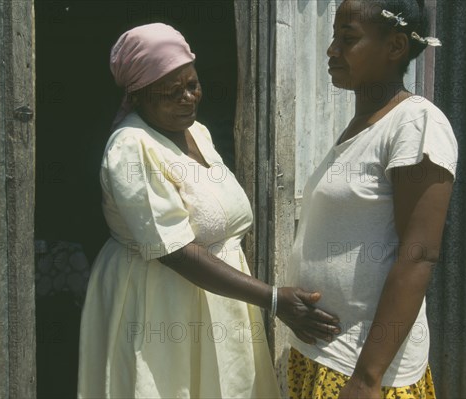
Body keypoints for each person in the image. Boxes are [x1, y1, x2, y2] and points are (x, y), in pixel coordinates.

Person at [78, 23, 339, 398]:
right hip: (159, 303)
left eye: (192, 84)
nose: (189, 98)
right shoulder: (132, 147)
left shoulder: (196, 132)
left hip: (218, 300)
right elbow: (175, 251)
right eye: (172, 92)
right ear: (137, 97)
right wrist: (274, 298)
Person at [285, 1, 458, 398]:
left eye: (348, 39)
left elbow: (419, 254)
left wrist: (367, 377)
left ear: (396, 46)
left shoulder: (417, 124)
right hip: (322, 353)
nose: (332, 50)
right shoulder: (365, 124)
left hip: (360, 367)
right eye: (333, 37)